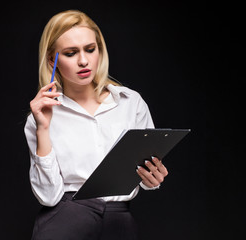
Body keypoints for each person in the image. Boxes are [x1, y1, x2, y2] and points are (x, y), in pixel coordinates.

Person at [24, 10, 168, 240]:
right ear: (53, 60)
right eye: (71, 53)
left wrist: (153, 178)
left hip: (119, 223)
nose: (83, 60)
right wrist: (42, 128)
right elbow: (48, 197)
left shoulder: (130, 102)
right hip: (65, 222)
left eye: (90, 49)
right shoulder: (41, 115)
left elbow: (146, 174)